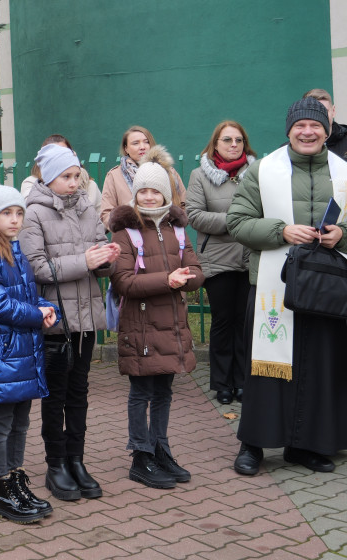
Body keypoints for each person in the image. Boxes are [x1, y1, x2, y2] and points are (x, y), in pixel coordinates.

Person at [227, 97, 347, 476]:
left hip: (327, 287)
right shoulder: (263, 170)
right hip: (273, 288)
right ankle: (254, 446)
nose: (308, 132)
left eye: (315, 126)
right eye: (300, 126)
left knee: (319, 367)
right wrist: (281, 231)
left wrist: (341, 235)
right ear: (289, 130)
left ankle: (304, 445)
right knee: (268, 368)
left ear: (326, 131)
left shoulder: (344, 172)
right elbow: (237, 221)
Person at [18, 144, 119, 501]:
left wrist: (107, 258)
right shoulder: (33, 214)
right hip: (55, 320)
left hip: (86, 320)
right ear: (48, 178)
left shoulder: (88, 208)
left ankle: (77, 461)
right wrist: (86, 261)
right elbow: (37, 269)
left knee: (79, 394)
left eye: (77, 175)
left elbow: (98, 256)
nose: (74, 182)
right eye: (66, 176)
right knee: (55, 395)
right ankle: (55, 465)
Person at [109, 148, 204, 489]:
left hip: (172, 327)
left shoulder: (178, 229)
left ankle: (161, 448)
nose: (149, 196)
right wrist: (169, 280)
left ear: (166, 192)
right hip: (141, 327)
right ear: (135, 194)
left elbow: (196, 270)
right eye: (143, 191)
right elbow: (123, 281)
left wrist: (187, 278)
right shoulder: (126, 232)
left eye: (155, 190)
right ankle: (141, 455)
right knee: (141, 392)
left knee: (164, 390)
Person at [0, 184, 57, 523]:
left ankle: (16, 479)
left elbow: (26, 294)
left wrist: (46, 308)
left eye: (19, 213)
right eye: (7, 213)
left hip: (20, 347)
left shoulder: (13, 248)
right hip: (0, 349)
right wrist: (36, 315)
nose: (15, 219)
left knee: (21, 418)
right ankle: (1, 488)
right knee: (2, 421)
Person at [185, 121, 256, 405]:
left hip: (250, 256)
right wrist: (236, 222)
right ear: (215, 144)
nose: (233, 145)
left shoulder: (255, 173)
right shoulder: (199, 175)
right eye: (227, 140)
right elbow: (195, 215)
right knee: (223, 321)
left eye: (238, 139)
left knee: (244, 322)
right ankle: (222, 383)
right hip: (217, 258)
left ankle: (242, 381)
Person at [100, 126, 186, 227]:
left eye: (146, 142)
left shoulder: (170, 172)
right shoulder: (114, 176)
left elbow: (183, 205)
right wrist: (127, 229)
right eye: (135, 143)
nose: (142, 147)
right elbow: (106, 214)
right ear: (126, 148)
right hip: (131, 237)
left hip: (166, 235)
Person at [20, 135, 103, 217]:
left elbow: (100, 219)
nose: (73, 184)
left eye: (65, 153)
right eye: (56, 154)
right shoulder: (31, 183)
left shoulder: (90, 185)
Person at [303, 88, 347, 159]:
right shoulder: (290, 149)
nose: (320, 116)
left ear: (333, 111)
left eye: (324, 111)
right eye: (314, 111)